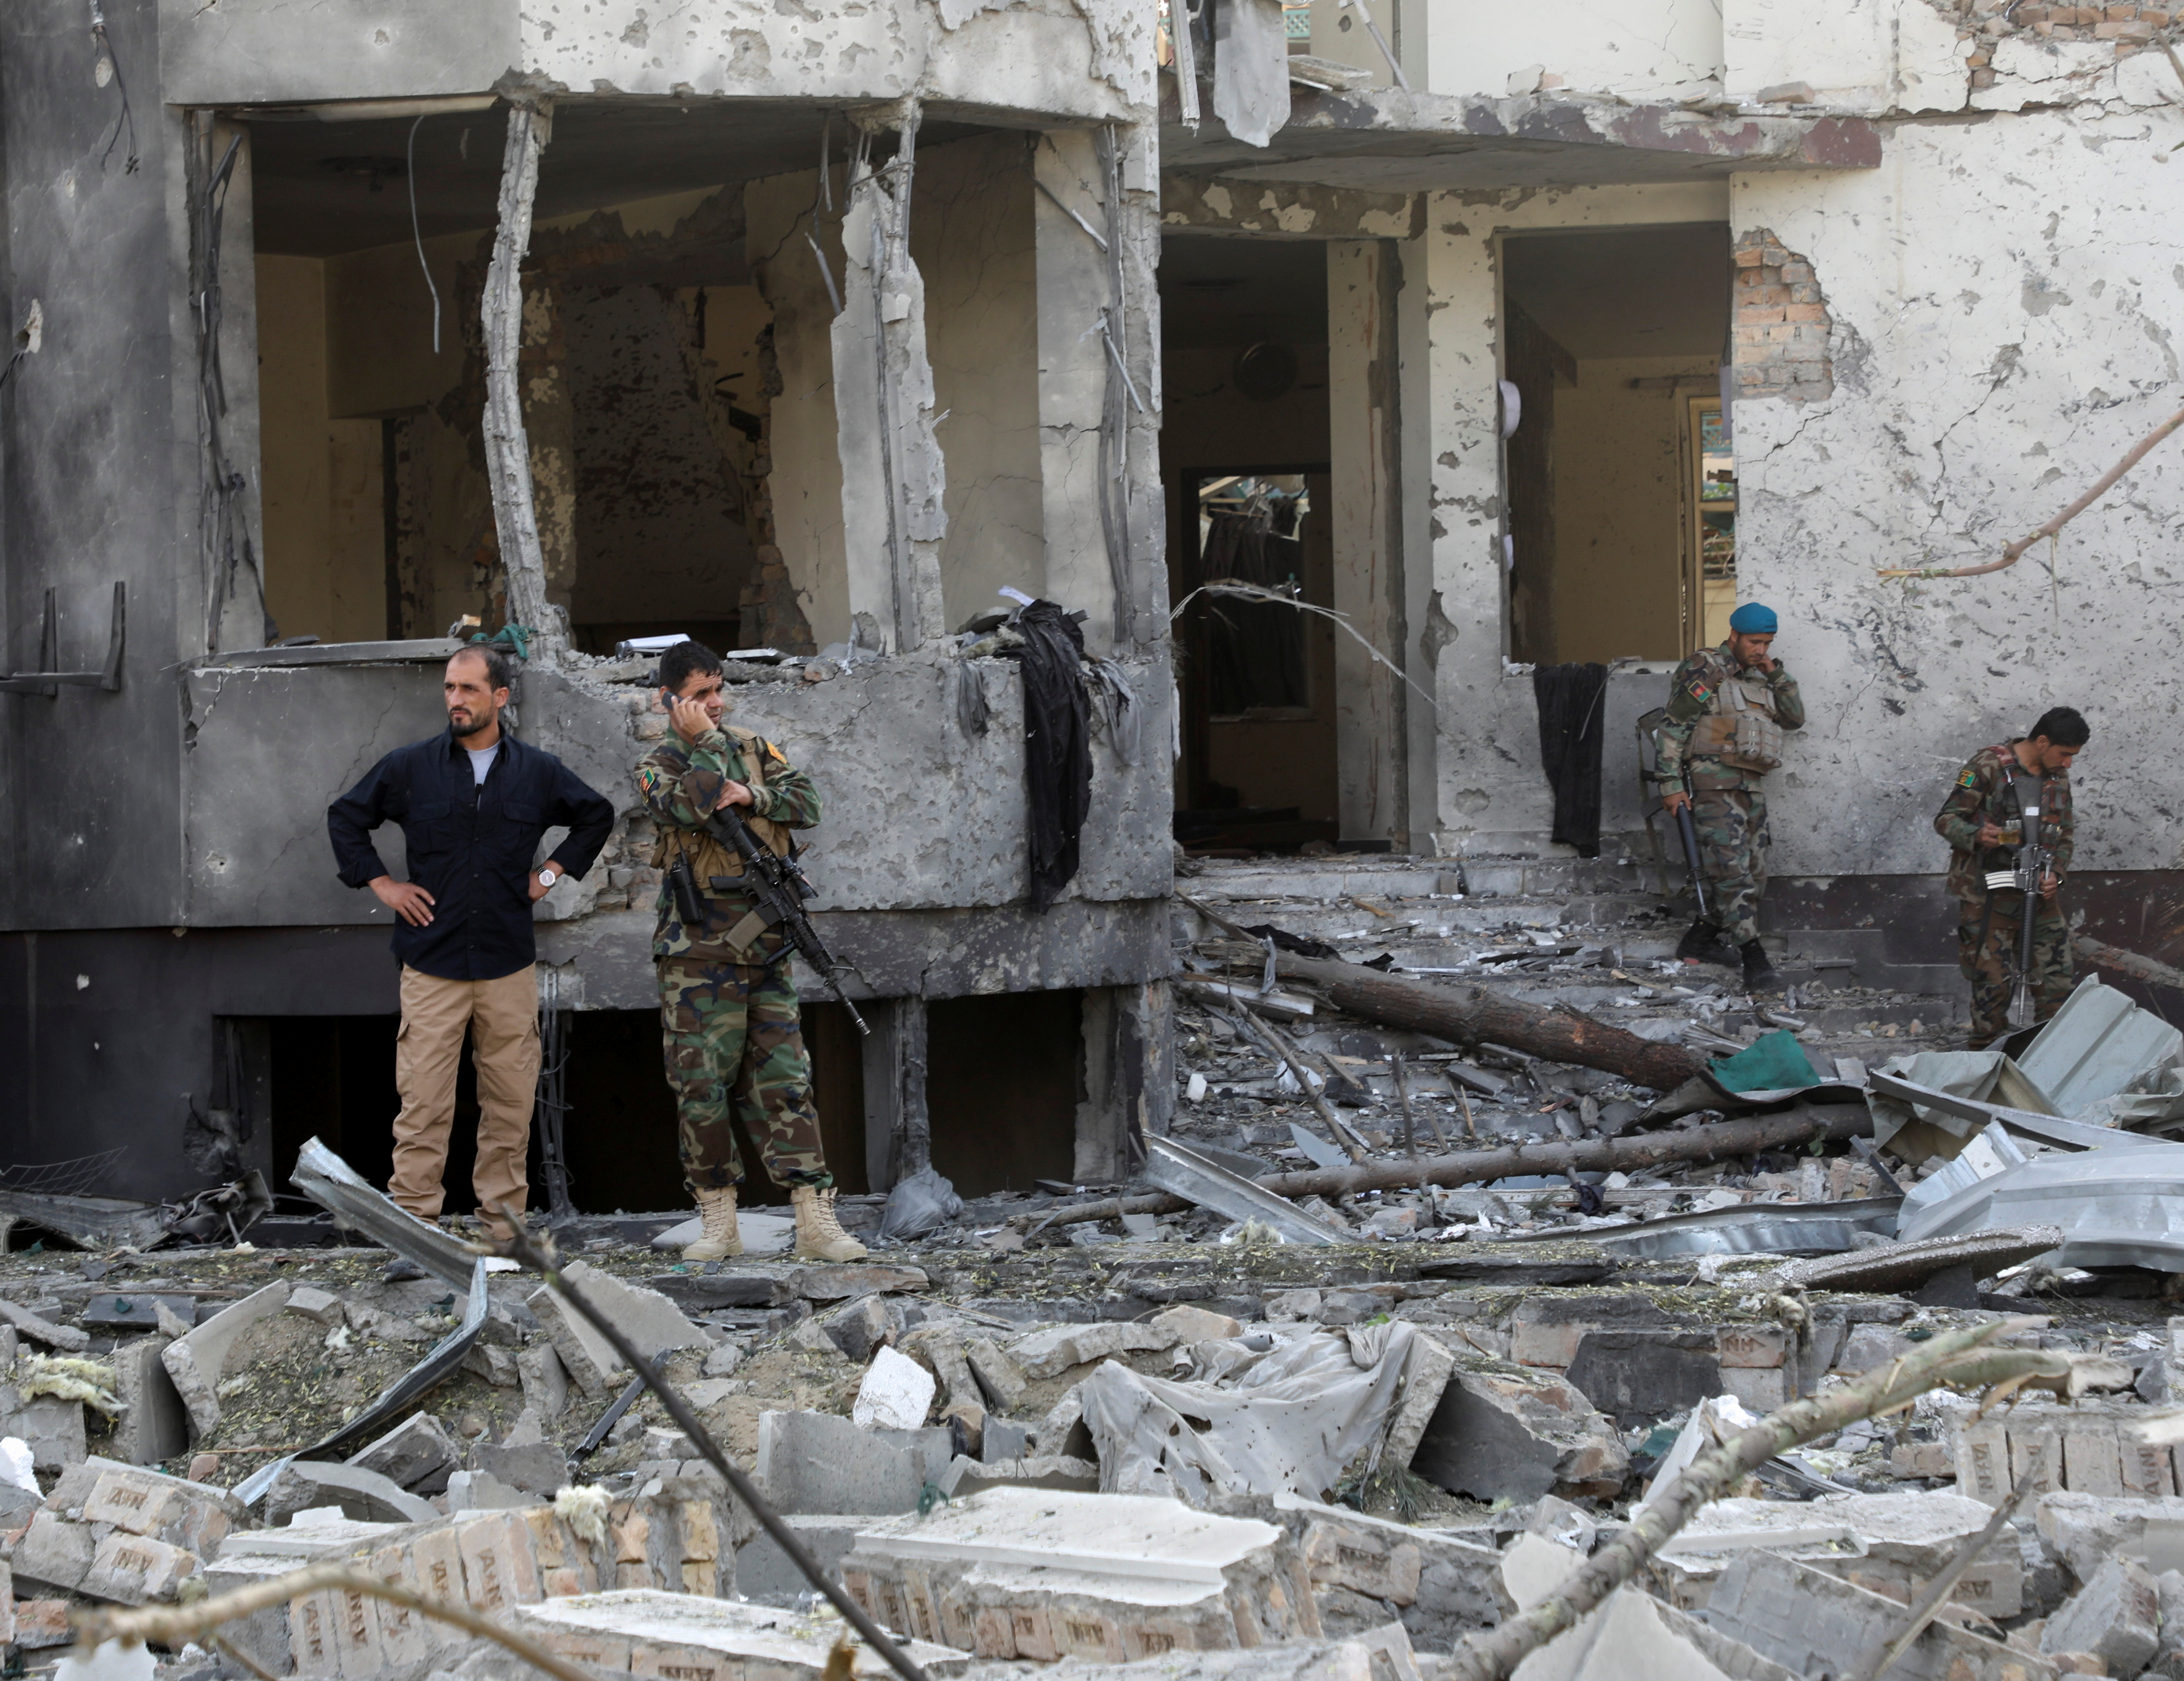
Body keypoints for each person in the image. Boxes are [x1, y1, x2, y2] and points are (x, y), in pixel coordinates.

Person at [327, 645, 614, 1239]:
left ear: (500, 698)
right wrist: (383, 884)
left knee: (509, 1106)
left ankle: (503, 1234)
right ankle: (414, 1232)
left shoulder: (537, 771)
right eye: (450, 688)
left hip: (506, 962)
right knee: (424, 1106)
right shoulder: (410, 768)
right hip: (431, 961)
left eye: (469, 689)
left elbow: (596, 814)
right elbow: (345, 817)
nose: (456, 700)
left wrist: (550, 875)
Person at [634, 639, 866, 1264]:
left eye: (718, 691)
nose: (714, 704)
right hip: (697, 956)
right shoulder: (658, 763)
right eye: (700, 695)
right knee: (702, 1088)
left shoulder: (755, 750)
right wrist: (709, 752)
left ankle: (816, 1220)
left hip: (765, 948)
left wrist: (753, 796)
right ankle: (719, 1221)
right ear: (670, 699)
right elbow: (685, 804)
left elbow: (808, 803)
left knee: (787, 1083)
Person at [1656, 601, 1805, 993]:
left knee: (1755, 875)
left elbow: (1794, 718)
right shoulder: (1705, 669)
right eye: (1755, 642)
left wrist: (1776, 673)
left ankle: (1700, 940)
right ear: (1734, 636)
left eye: (1767, 643)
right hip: (1713, 786)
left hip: (1751, 787)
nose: (1761, 649)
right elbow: (1673, 726)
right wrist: (1670, 784)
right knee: (1731, 873)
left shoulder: (1761, 677)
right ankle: (1754, 962)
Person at [1933, 706, 2087, 1048]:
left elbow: (2064, 835)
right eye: (2065, 754)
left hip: (2041, 898)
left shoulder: (2056, 776)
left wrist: (2057, 876)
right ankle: (1987, 1064)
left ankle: (2052, 1061)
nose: (2069, 764)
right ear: (2043, 741)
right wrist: (1976, 835)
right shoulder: (1988, 765)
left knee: (2057, 984)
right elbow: (1946, 819)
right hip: (1989, 897)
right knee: (1992, 991)